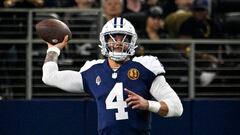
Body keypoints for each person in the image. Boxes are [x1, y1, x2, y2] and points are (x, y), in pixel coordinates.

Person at [42, 17, 183, 135]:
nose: (117, 42)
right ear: (104, 41)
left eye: (123, 38)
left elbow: (177, 108)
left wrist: (148, 104)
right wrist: (53, 49)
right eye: (112, 37)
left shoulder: (145, 67)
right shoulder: (93, 70)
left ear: (132, 41)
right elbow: (49, 77)